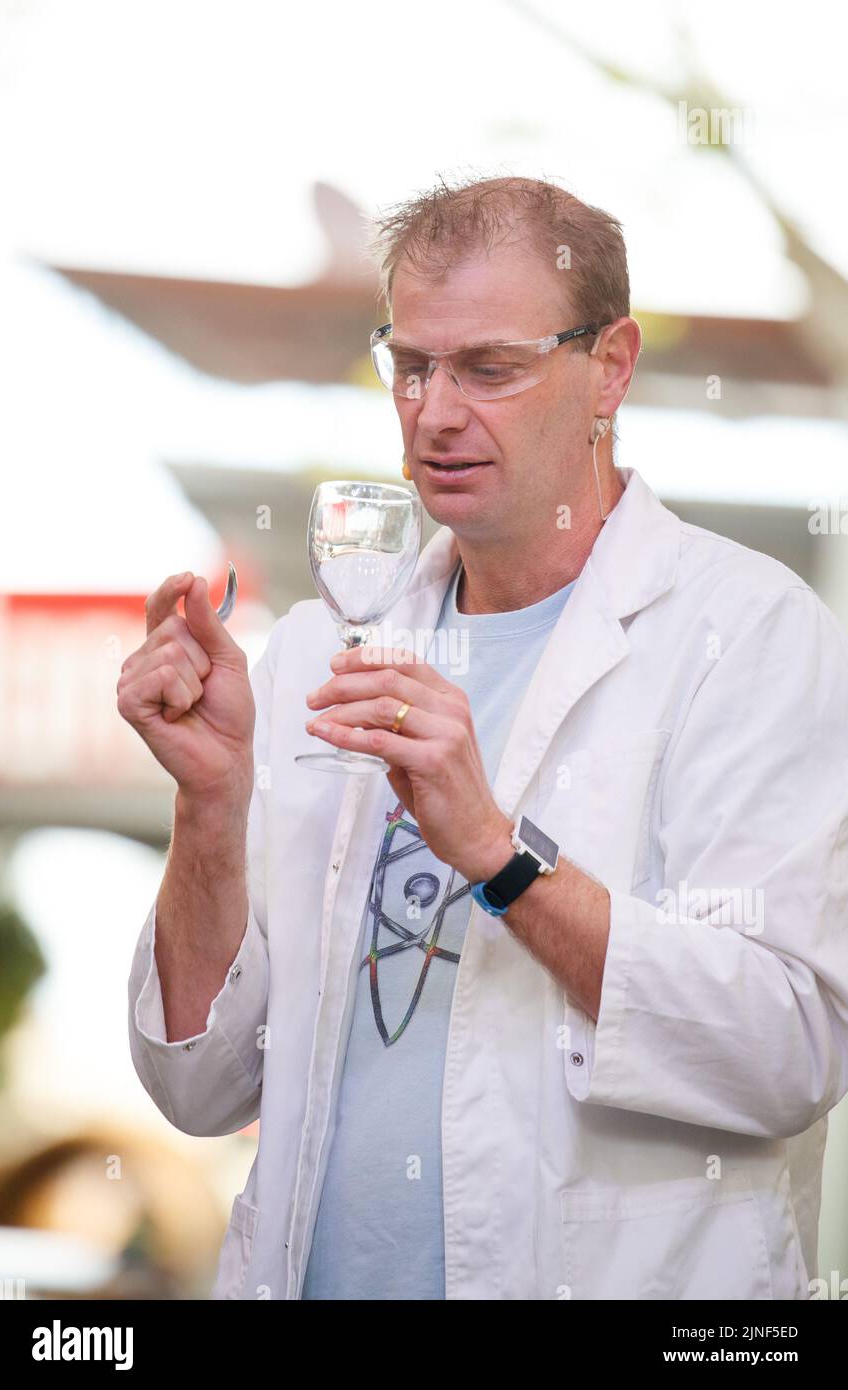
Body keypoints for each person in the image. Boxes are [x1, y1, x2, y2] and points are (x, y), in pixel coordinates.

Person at [121, 175, 848, 1301]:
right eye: (410, 365)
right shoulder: (318, 648)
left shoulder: (746, 637)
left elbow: (787, 1050)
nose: (434, 412)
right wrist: (207, 808)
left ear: (609, 365)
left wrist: (501, 856)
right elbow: (202, 1089)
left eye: (488, 369)